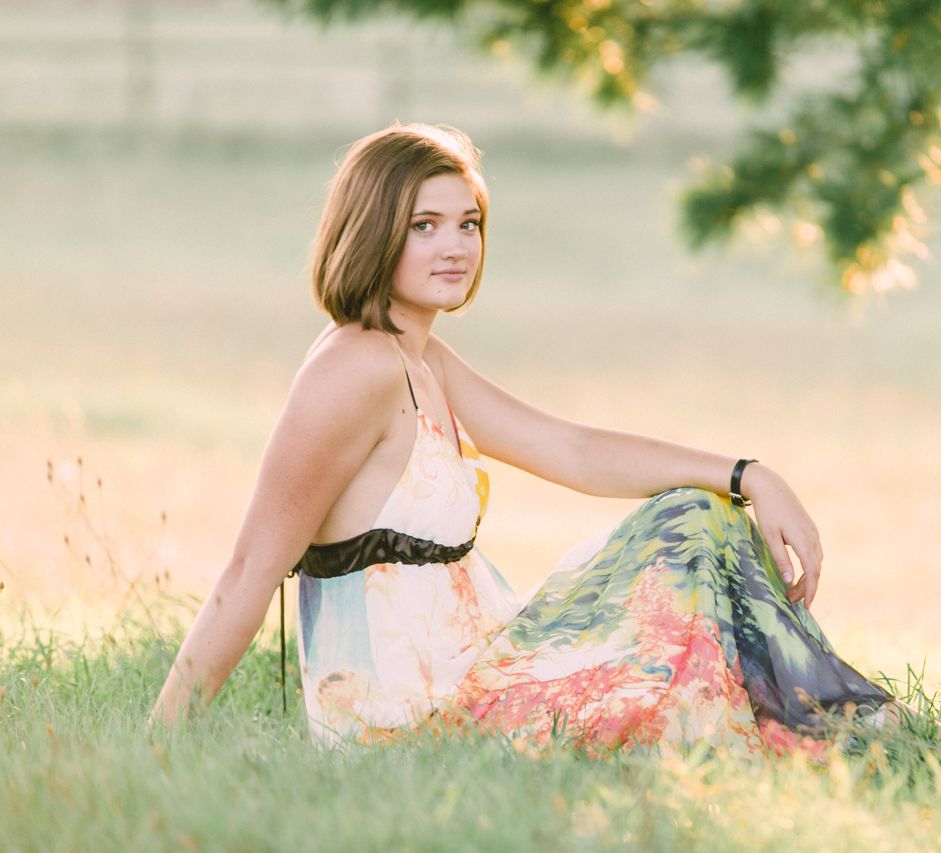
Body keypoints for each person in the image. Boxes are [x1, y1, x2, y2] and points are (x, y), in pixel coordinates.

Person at [149, 122, 893, 753]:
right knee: (691, 532)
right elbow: (249, 566)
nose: (456, 247)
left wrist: (748, 473)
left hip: (480, 658)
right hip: (412, 714)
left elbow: (569, 449)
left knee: (701, 512)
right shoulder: (355, 367)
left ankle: (829, 722)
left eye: (468, 223)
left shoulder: (417, 357)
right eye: (424, 225)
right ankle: (839, 726)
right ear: (374, 230)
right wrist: (161, 743)